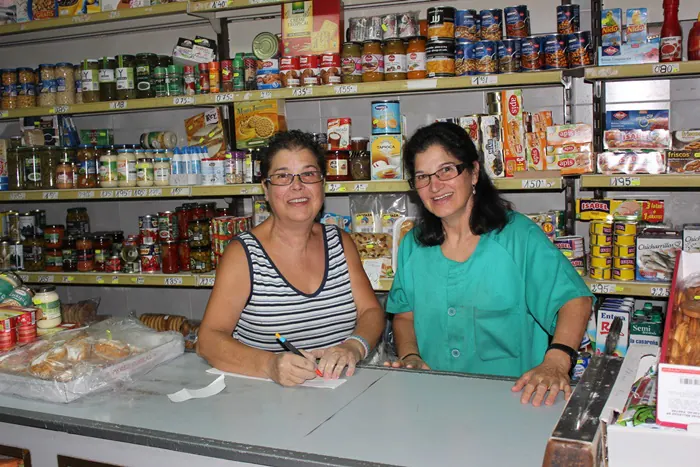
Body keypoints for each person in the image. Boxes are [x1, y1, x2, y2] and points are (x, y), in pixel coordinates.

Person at [384, 122, 593, 407]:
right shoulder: (415, 244)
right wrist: (410, 356)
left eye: (446, 170)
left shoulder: (518, 236)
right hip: (432, 400)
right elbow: (405, 315)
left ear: (474, 172)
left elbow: (574, 301)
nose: (435, 186)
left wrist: (556, 362)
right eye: (422, 177)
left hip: (513, 403)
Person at [198, 131, 385, 387]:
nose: (297, 186)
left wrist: (354, 346)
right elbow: (208, 340)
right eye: (283, 176)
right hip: (269, 402)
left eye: (308, 174)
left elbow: (371, 310)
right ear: (266, 189)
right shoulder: (243, 254)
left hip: (343, 393)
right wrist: (269, 365)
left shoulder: (340, 242)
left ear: (322, 184)